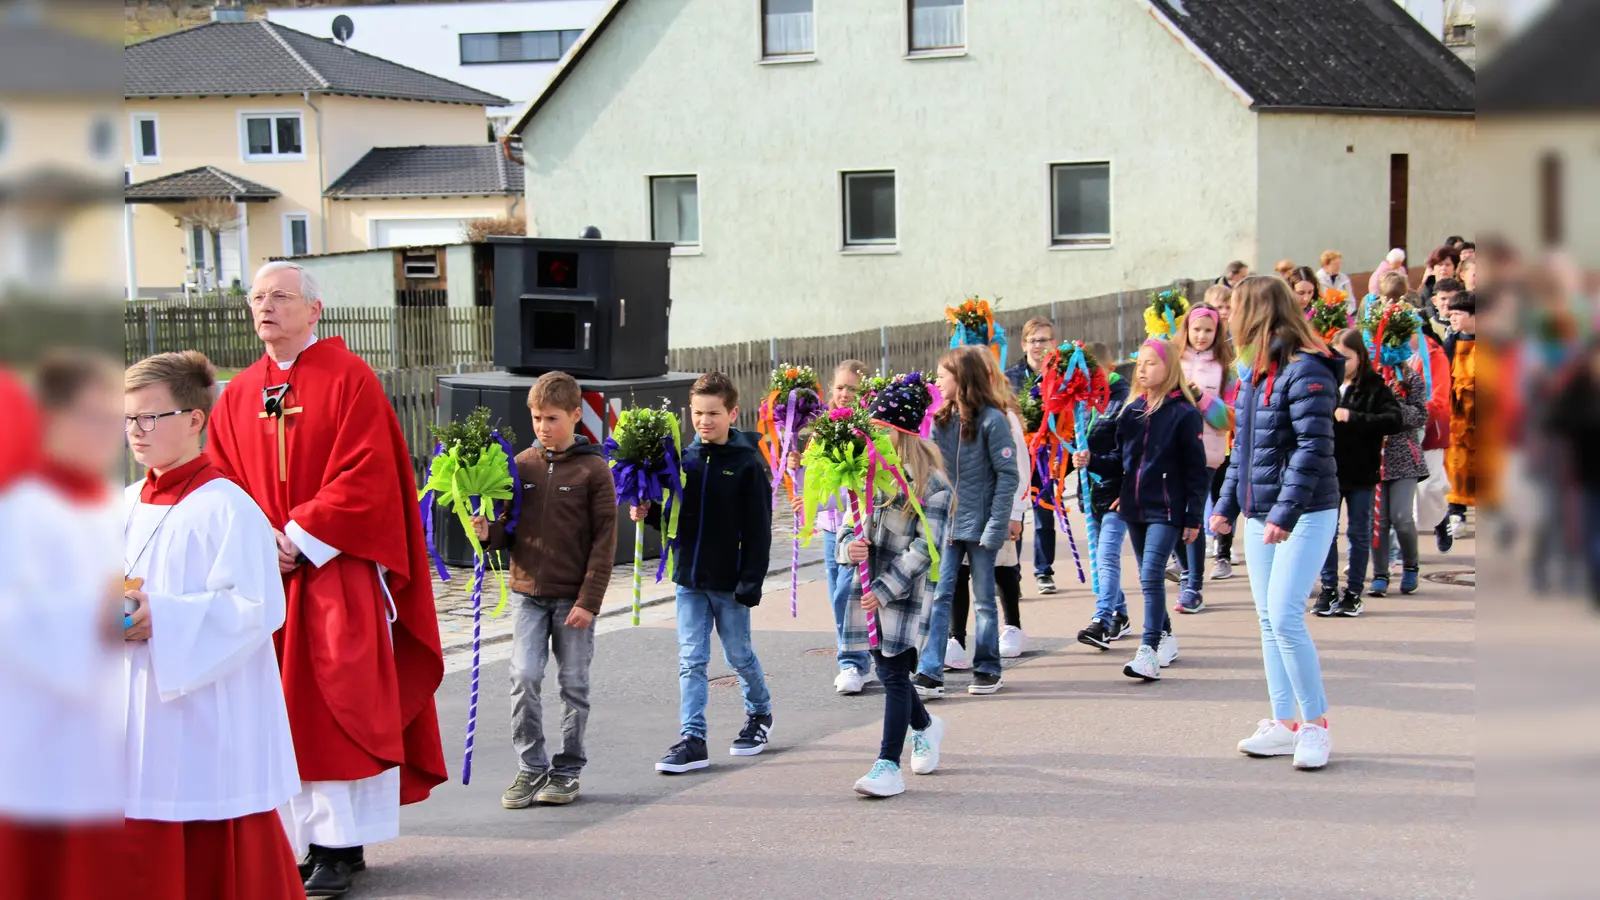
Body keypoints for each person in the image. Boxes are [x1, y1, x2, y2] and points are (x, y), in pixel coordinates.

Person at [205, 261, 447, 897]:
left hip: (334, 569)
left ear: (313, 311)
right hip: (265, 580)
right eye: (257, 297)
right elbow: (219, 480)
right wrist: (260, 541)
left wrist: (299, 536)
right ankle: (298, 841)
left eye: (281, 297)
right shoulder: (237, 394)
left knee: (335, 701)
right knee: (274, 707)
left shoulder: (350, 379)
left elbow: (368, 475)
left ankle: (340, 844)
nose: (266, 307)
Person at [121, 351, 303, 899]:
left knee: (204, 842)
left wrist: (163, 617)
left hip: (201, 713)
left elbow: (256, 608)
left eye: (150, 417)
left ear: (195, 420)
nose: (136, 431)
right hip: (131, 704)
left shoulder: (229, 508)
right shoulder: (124, 502)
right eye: (128, 418)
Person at [0, 355, 125, 900]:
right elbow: (16, 617)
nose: (110, 434)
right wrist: (98, 615)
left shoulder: (107, 501)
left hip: (96, 731)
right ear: (53, 419)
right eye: (93, 417)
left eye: (113, 419)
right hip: (39, 730)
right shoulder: (25, 506)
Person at [1212, 275, 1342, 770]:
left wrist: (1285, 513)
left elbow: (1313, 448)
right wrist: (1226, 504)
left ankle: (1316, 725)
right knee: (1269, 620)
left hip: (1306, 512)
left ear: (1256, 313)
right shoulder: (1254, 373)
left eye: (1234, 308)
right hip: (1262, 511)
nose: (1227, 317)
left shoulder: (1306, 371)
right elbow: (1243, 450)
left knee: (1286, 616)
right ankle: (1283, 723)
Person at [472, 371, 616, 809]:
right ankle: (531, 767)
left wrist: (588, 602)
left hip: (572, 599)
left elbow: (604, 543)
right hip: (527, 596)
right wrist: (486, 534)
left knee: (573, 684)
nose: (542, 427)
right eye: (536, 418)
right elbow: (507, 531)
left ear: (575, 415)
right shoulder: (521, 465)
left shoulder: (594, 469)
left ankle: (567, 769)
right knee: (523, 677)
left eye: (552, 418)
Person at [635, 372, 774, 774]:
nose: (704, 421)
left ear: (732, 413)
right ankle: (692, 737)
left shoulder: (748, 464)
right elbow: (676, 519)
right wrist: (649, 515)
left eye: (713, 413)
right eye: (697, 413)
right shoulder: (684, 458)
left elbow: (759, 530)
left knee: (738, 655)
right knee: (691, 659)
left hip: (730, 582)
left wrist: (751, 581)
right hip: (689, 580)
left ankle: (760, 713)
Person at [841, 379, 953, 797]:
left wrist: (886, 589)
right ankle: (925, 726)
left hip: (901, 596)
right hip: (866, 590)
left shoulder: (934, 487)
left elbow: (927, 547)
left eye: (880, 428)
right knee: (890, 672)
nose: (872, 436)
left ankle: (888, 764)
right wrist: (846, 548)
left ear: (902, 433)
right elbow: (852, 525)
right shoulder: (869, 474)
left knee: (892, 673)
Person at [914, 347, 1018, 699]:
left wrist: (997, 526)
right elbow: (931, 472)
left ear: (962, 379)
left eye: (943, 375)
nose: (937, 381)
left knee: (985, 601)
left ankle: (988, 667)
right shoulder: (941, 421)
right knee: (940, 596)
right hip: (948, 527)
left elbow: (1008, 476)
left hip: (982, 524)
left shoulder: (993, 420)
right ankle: (931, 670)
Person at [1116, 339, 1207, 681]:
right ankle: (1165, 636)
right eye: (1140, 363)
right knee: (1148, 575)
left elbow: (1196, 471)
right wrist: (1092, 460)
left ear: (1169, 368)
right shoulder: (1131, 411)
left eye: (1151, 363)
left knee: (1152, 573)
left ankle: (1148, 649)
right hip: (1135, 507)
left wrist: (1193, 516)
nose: (1142, 369)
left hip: (1167, 508)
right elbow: (1120, 459)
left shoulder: (1184, 413)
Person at [791, 360, 874, 694]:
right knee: (838, 598)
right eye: (839, 387)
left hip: (855, 524)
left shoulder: (867, 428)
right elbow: (811, 478)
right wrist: (797, 468)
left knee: (846, 594)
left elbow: (858, 485)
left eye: (851, 388)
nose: (843, 394)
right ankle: (856, 660)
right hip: (829, 528)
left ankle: (853, 662)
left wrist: (822, 502)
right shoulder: (822, 427)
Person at [948, 355, 1031, 664]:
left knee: (1003, 568)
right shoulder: (949, 417)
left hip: (997, 506)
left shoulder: (1002, 417)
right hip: (963, 511)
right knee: (958, 572)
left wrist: (1015, 512)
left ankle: (1012, 625)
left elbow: (1019, 467)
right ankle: (956, 637)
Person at [1316, 330, 1403, 617]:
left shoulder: (1373, 385)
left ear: (1360, 357)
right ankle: (1328, 588)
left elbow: (1393, 420)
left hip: (1362, 471)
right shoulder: (1325, 381)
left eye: (1347, 357)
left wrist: (1353, 417)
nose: (1342, 362)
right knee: (1326, 532)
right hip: (1328, 470)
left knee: (1358, 532)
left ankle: (1353, 592)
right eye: (1336, 356)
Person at [1171, 305, 1238, 612]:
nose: (1201, 336)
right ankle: (1185, 572)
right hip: (1169, 451)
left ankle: (1193, 585)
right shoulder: (1171, 359)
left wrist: (1201, 397)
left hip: (1205, 455)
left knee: (1191, 516)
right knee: (1169, 516)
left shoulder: (1226, 367)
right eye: (1196, 329)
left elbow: (1228, 418)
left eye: (1208, 331)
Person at [1073, 345, 1134, 649]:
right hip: (1092, 493)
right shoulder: (1082, 400)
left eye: (1093, 372)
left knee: (1107, 556)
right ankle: (1120, 614)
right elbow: (1077, 439)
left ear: (1109, 367)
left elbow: (1128, 453)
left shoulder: (1124, 401)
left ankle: (1101, 620)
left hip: (1117, 494)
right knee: (1099, 556)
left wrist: (1124, 488)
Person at [1368, 352, 1430, 597]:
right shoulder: (1368, 378)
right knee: (1378, 521)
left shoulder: (1411, 378)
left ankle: (1410, 565)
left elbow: (1420, 415)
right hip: (1374, 459)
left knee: (1402, 517)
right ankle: (1380, 573)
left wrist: (1392, 409)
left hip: (1404, 457)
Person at [1005, 317, 1059, 594]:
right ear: (1024, 344)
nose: (1039, 346)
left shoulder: (1061, 375)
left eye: (1045, 340)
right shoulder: (1011, 377)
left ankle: (1043, 570)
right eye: (1033, 340)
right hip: (1018, 455)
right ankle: (1011, 572)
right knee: (1015, 513)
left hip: (1048, 455)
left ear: (1054, 343)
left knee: (1044, 512)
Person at [1415, 321, 1455, 553]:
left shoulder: (1433, 354)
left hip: (1429, 428)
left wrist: (1418, 416)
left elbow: (1439, 398)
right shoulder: (1384, 351)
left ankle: (1441, 518)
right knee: (1399, 489)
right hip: (1396, 430)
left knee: (1429, 486)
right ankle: (1400, 540)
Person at [1445, 292, 1477, 541]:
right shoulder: (1452, 342)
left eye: (1457, 314)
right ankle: (1457, 513)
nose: (1451, 317)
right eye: (1451, 313)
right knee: (1457, 464)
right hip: (1458, 416)